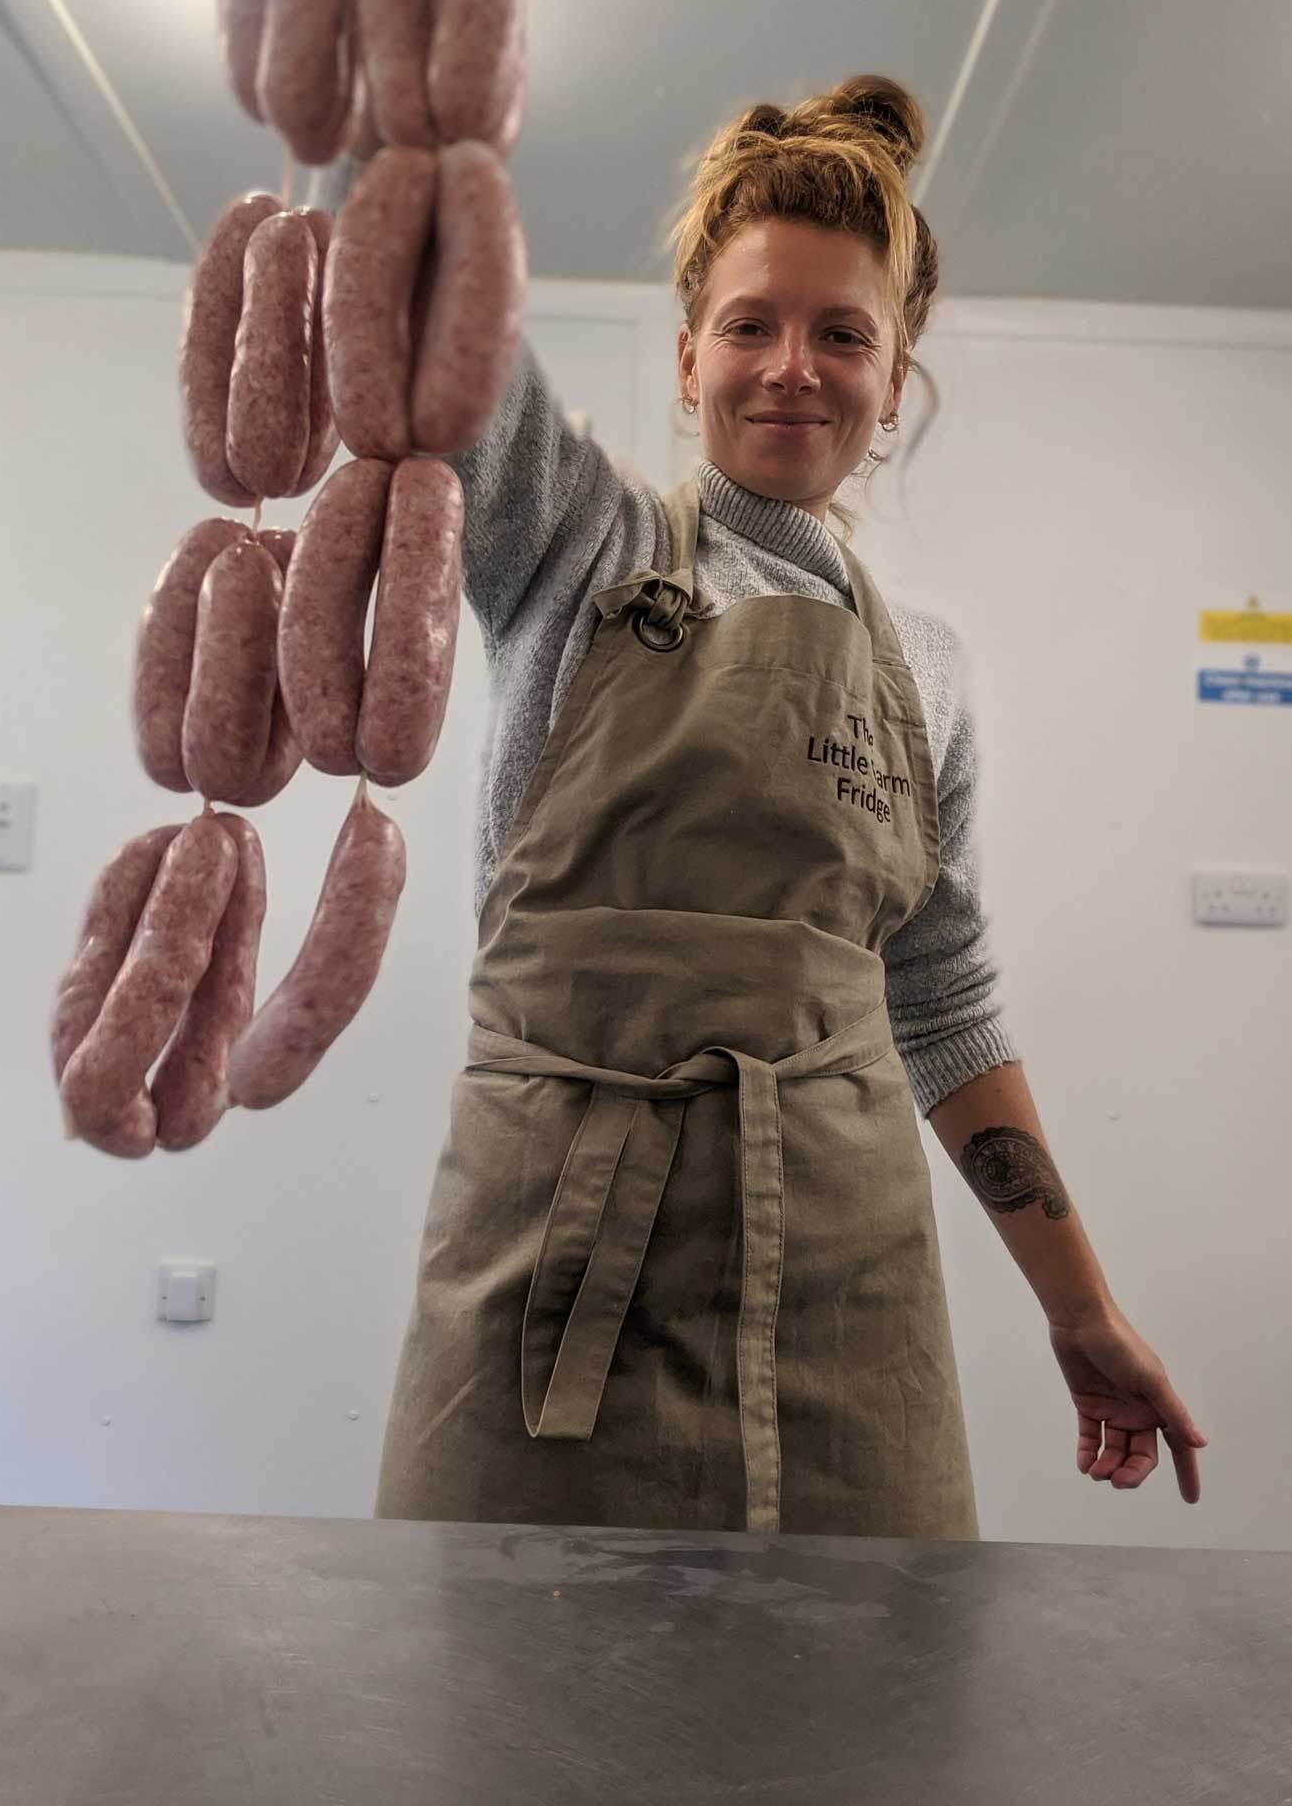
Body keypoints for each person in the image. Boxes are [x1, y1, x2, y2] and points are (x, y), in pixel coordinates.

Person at [372, 75, 1206, 1538]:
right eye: (750, 325)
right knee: (503, 1728)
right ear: (687, 357)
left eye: (843, 335)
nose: (792, 368)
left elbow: (944, 1007)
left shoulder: (926, 674)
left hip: (844, 1275)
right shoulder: (580, 545)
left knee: (864, 1733)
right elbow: (435, 325)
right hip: (554, 1265)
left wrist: (1084, 1313)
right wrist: (408, 93)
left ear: (894, 383)